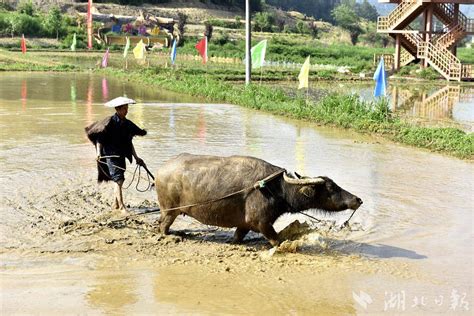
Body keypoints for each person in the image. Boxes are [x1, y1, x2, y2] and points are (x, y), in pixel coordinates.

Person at [85, 97, 147, 214]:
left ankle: (115, 204)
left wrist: (136, 157)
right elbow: (100, 140)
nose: (126, 111)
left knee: (119, 180)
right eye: (124, 109)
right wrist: (98, 153)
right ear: (118, 109)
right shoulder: (109, 123)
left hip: (122, 155)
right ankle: (122, 207)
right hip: (110, 155)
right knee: (119, 179)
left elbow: (129, 142)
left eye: (127, 108)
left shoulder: (127, 124)